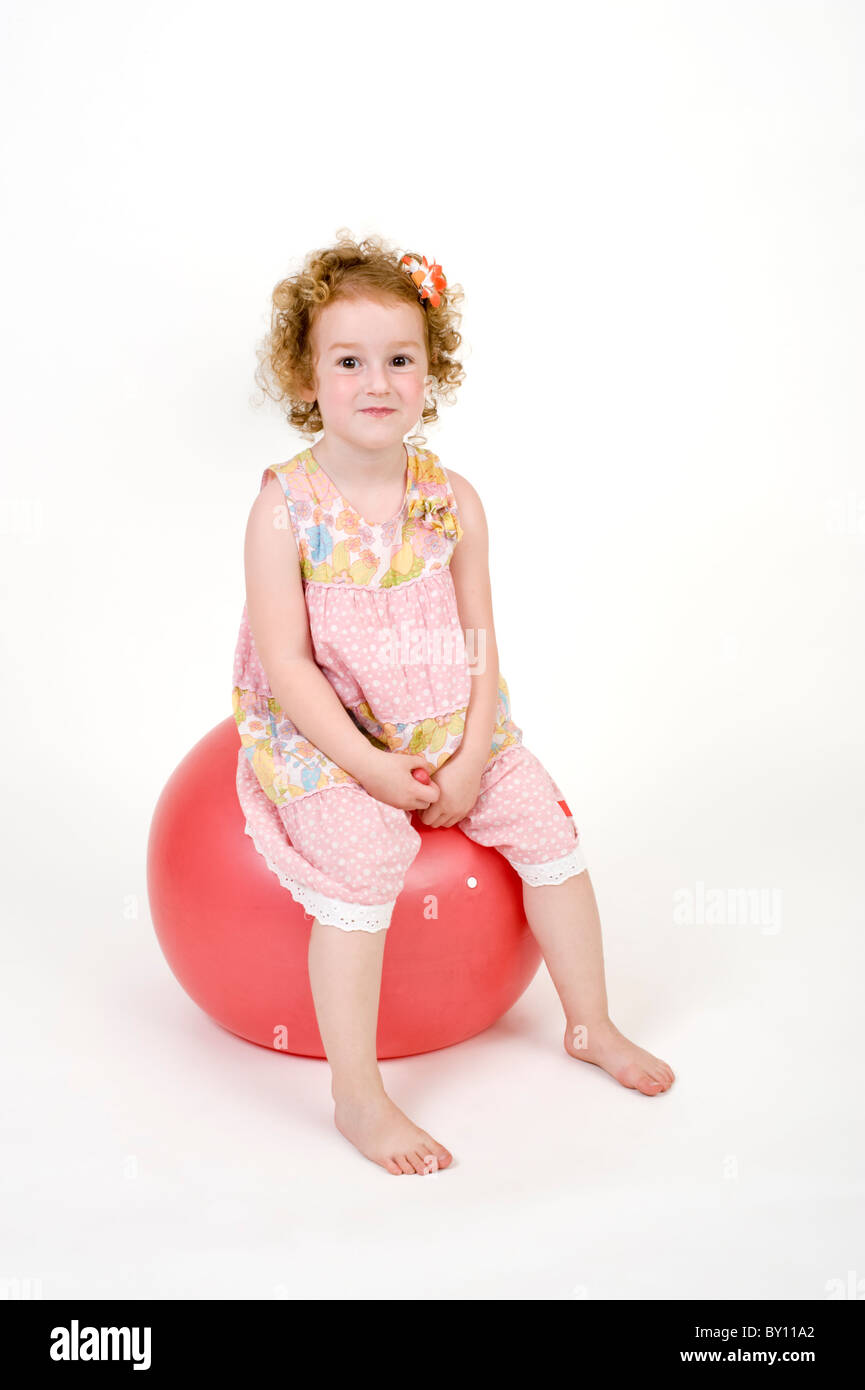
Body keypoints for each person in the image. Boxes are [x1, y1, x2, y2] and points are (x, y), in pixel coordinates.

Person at [232, 229, 675, 1176]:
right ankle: (358, 1095)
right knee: (366, 858)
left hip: (444, 719)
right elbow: (289, 666)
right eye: (348, 361)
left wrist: (475, 750)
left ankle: (590, 1023)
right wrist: (370, 769)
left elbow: (479, 638)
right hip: (329, 737)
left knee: (549, 831)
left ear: (432, 372)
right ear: (306, 378)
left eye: (400, 359)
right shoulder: (284, 507)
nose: (376, 381)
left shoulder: (452, 499)